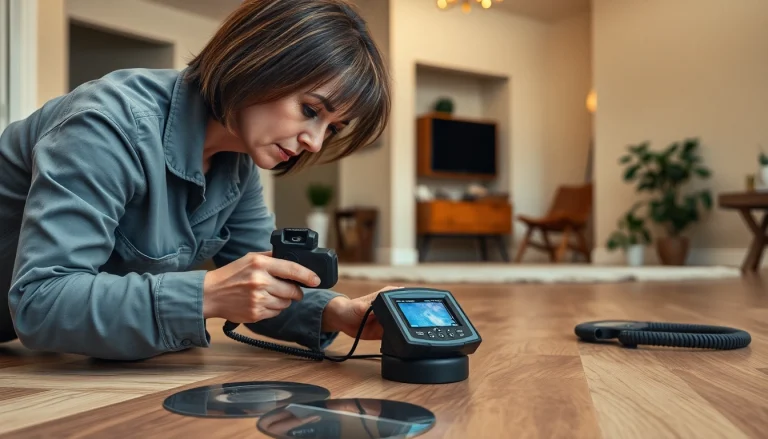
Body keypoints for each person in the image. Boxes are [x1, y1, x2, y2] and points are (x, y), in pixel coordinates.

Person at [0, 0, 393, 361]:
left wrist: (340, 312)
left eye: (332, 128)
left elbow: (262, 284)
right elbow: (41, 302)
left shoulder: (236, 164)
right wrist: (207, 293)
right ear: (259, 61)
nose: (315, 142)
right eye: (310, 110)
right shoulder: (105, 126)